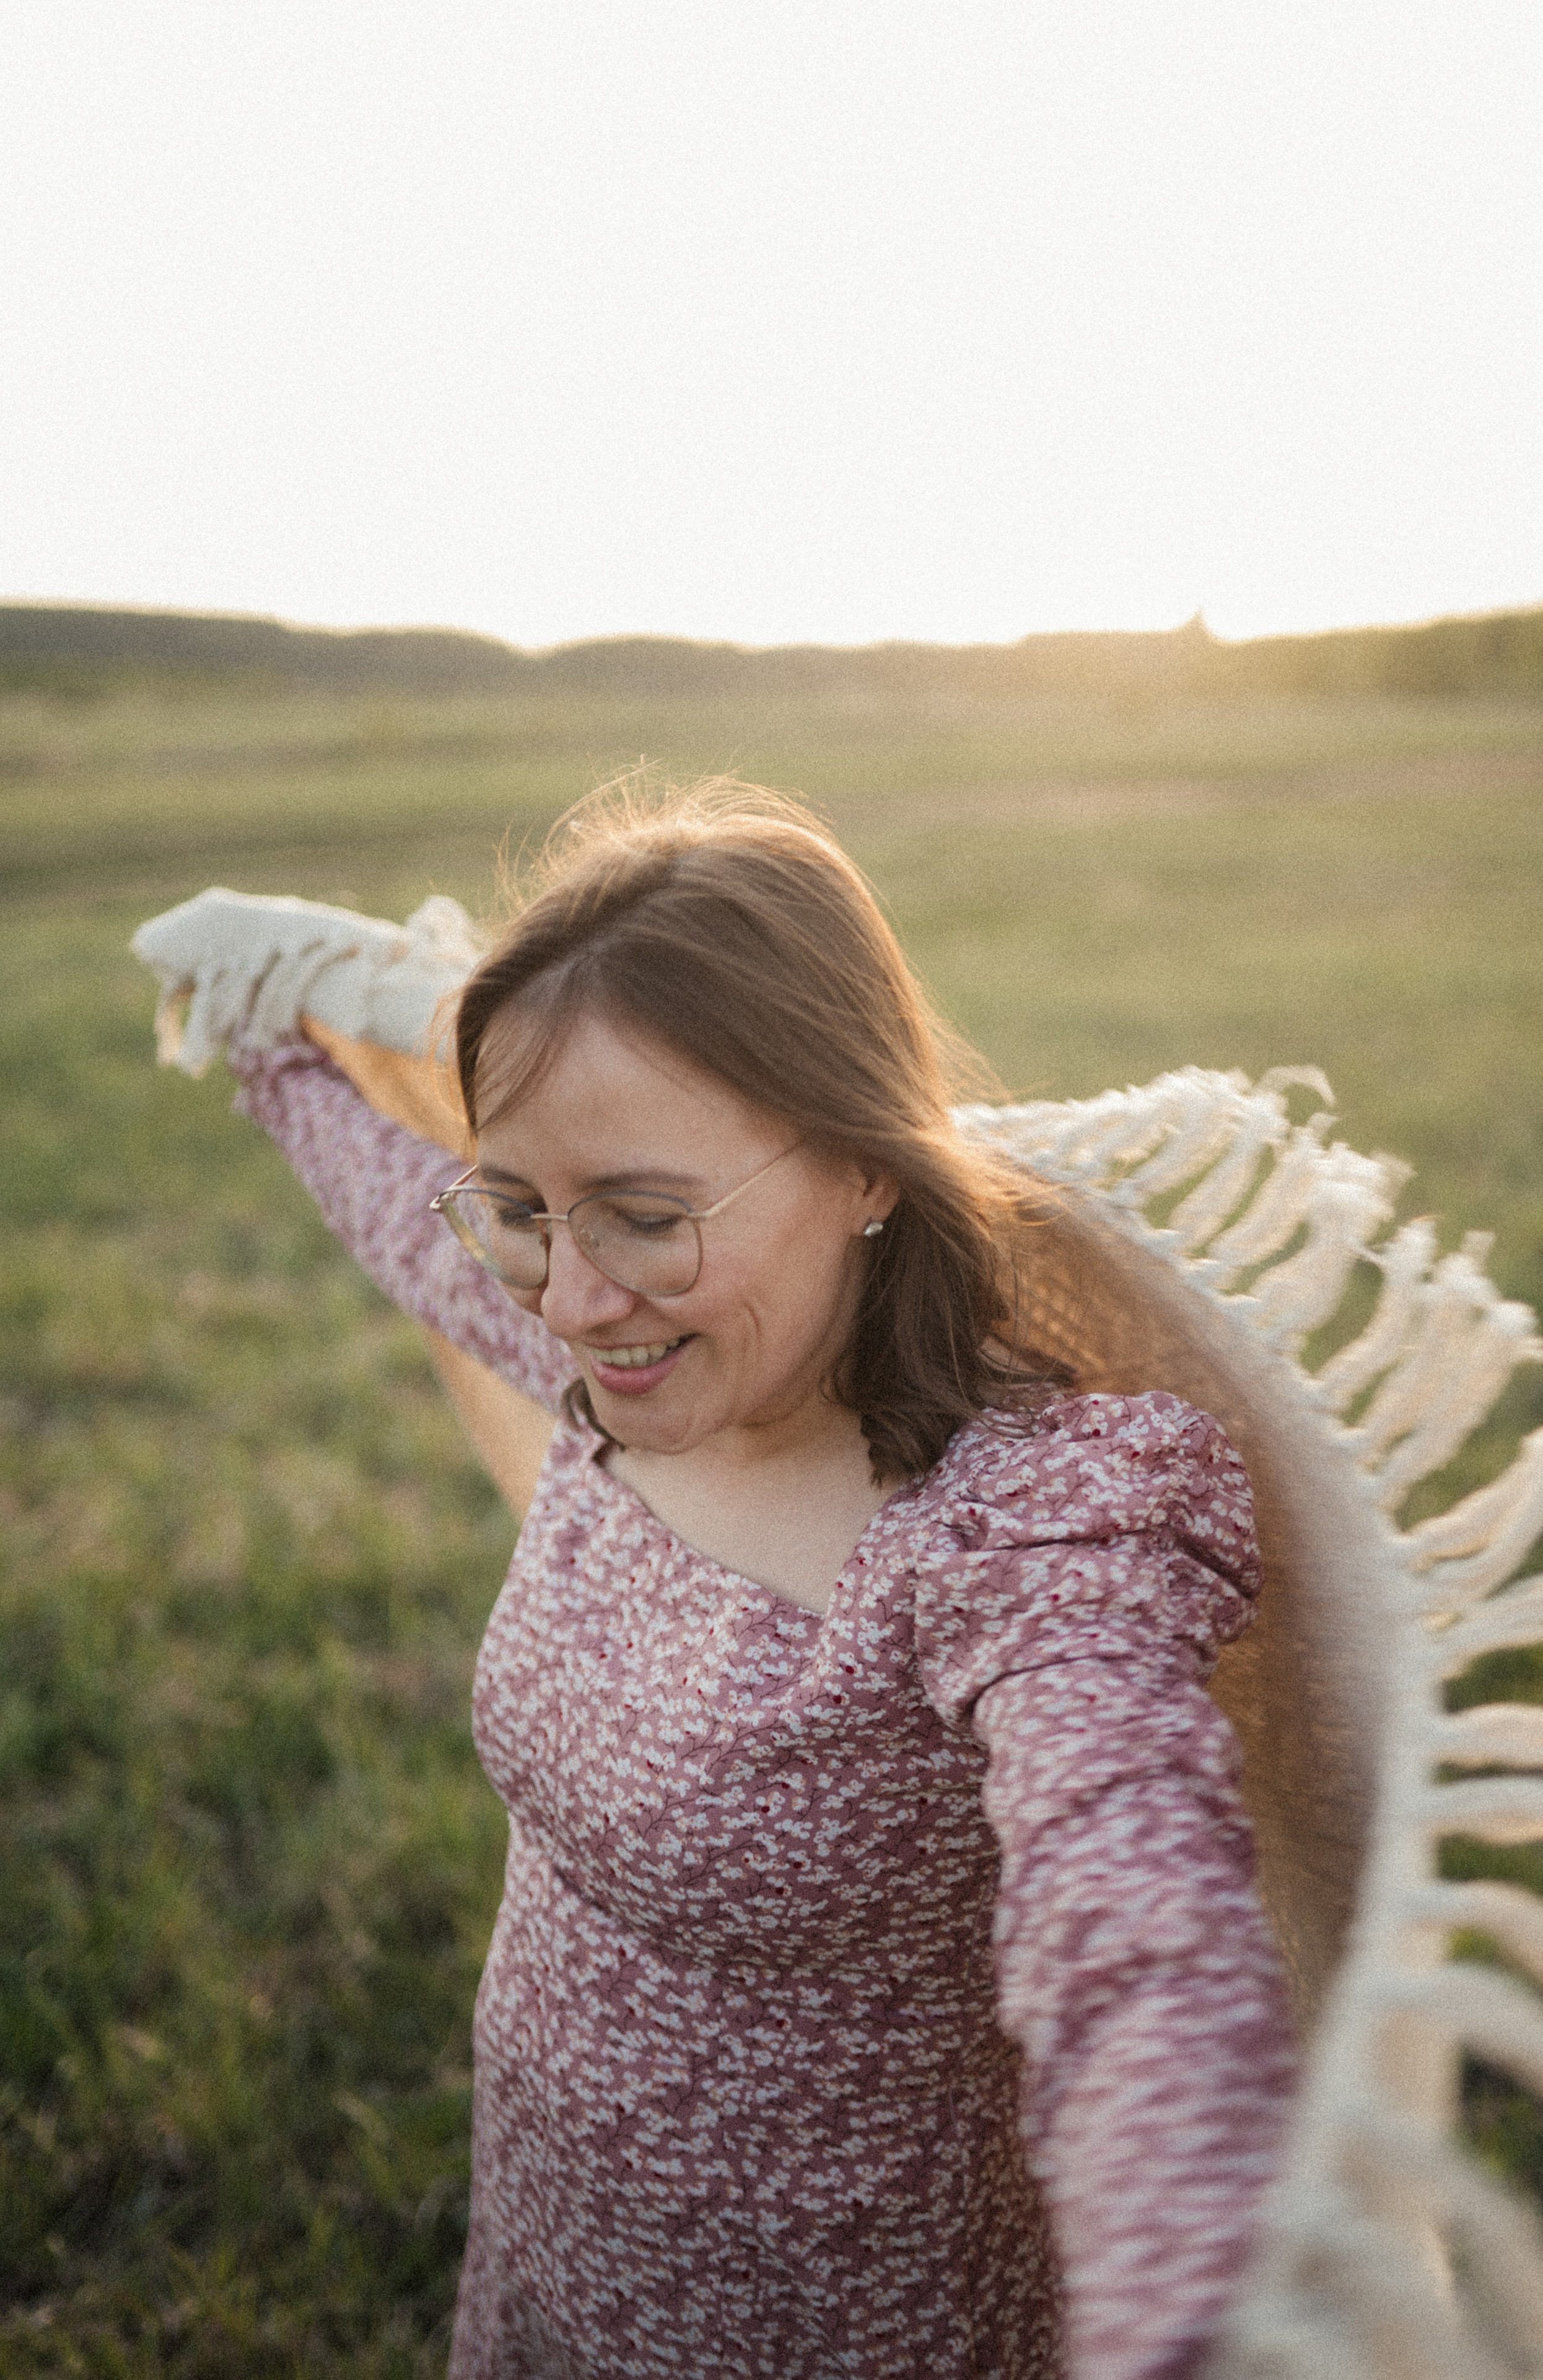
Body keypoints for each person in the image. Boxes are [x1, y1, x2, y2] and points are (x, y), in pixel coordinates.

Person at [206, 781, 1296, 2380]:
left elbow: (1134, 1912)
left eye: (646, 1216)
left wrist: (1182, 2298)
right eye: (522, 1206)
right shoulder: (603, 1355)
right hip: (554, 2245)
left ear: (865, 1165)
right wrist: (259, 1015)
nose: (575, 1296)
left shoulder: (1032, 1521)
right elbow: (397, 1209)